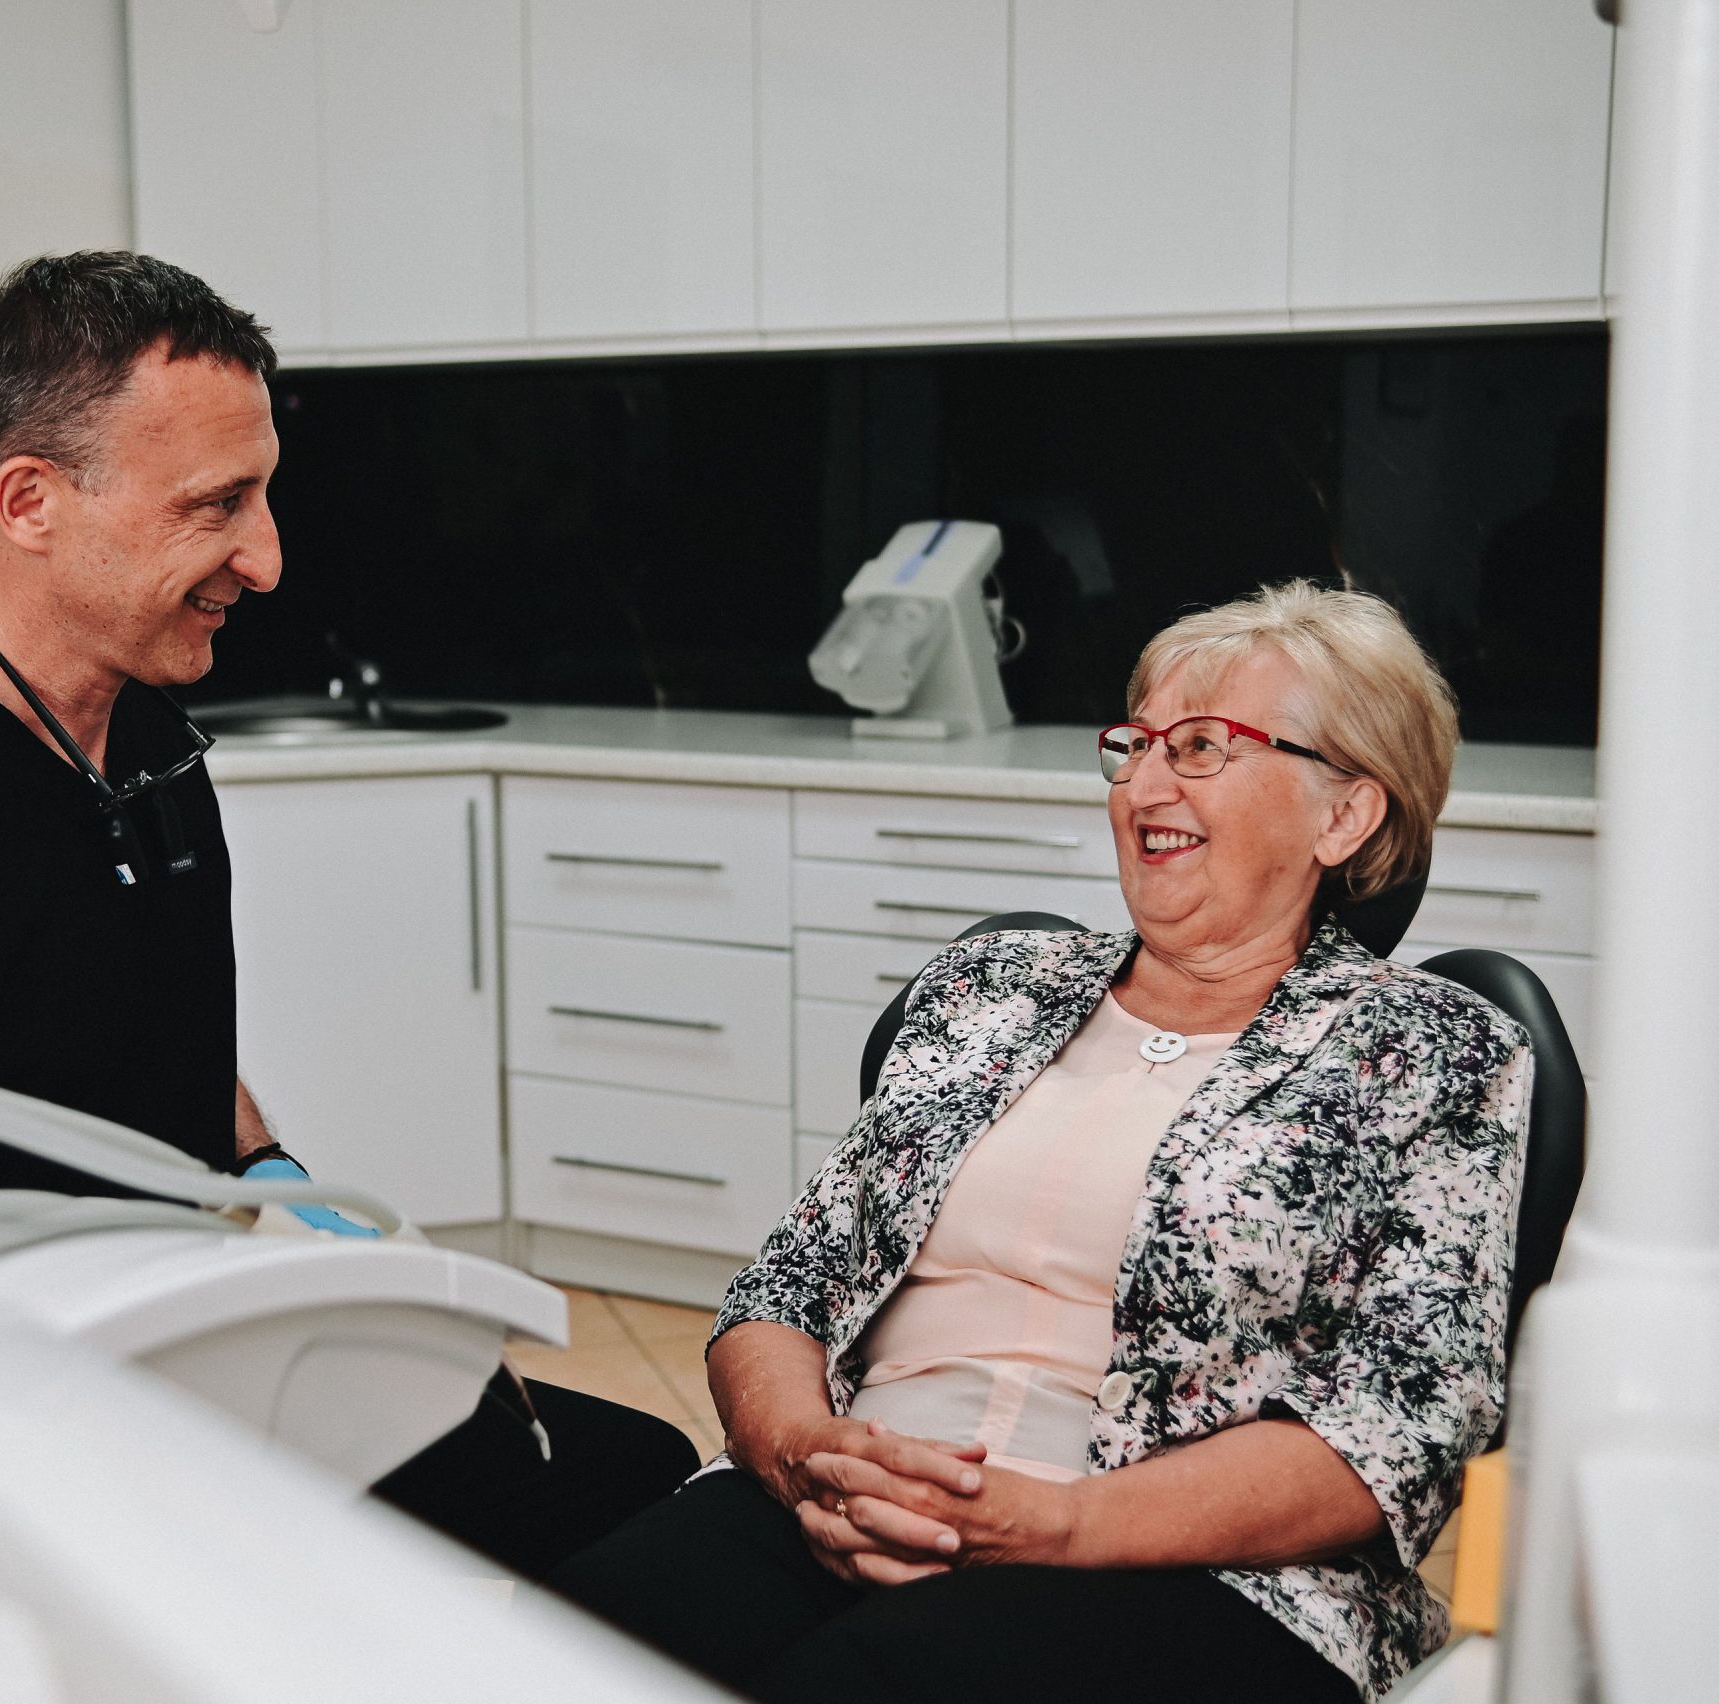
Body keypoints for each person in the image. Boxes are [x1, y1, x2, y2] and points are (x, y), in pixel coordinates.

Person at [0, 251, 697, 1578]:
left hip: (192, 1352)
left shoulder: (151, 745)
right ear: (30, 502)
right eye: (216, 505)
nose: (264, 560)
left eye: (262, 496)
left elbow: (145, 1033)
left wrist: (277, 1183)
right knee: (586, 1534)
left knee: (642, 1471)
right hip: (9, 1433)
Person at [555, 582, 1532, 1704]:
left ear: (1345, 815)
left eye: (1201, 747)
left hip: (1185, 1564)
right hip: (850, 1490)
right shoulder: (989, 986)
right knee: (574, 1644)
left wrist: (1058, 1521)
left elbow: (1401, 1425)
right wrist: (802, 1457)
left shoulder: (1432, 1052)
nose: (1144, 787)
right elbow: (784, 1288)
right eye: (1136, 745)